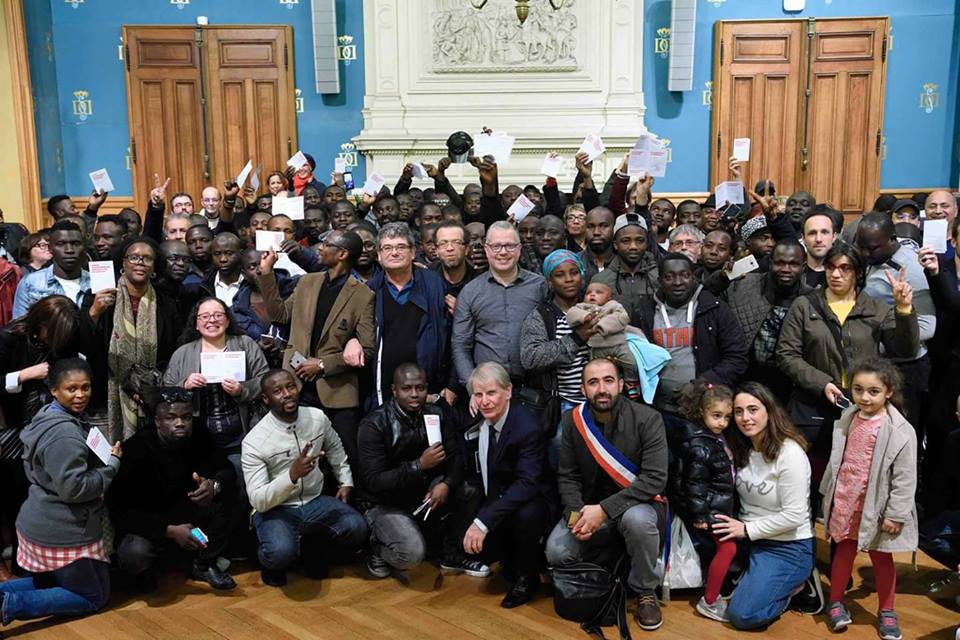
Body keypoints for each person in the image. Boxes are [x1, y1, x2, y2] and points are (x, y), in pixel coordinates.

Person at [545, 358, 668, 631]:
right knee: (555, 552)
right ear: (583, 389)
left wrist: (603, 511)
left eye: (608, 381)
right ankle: (608, 573)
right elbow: (568, 475)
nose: (602, 389)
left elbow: (655, 479)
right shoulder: (572, 421)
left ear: (621, 385)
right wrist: (575, 517)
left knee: (637, 521)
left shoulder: (648, 419)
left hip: (637, 505)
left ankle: (645, 590)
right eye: (593, 382)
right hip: (590, 509)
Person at [776, 242, 918, 472]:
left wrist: (903, 310)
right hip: (814, 406)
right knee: (813, 473)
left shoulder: (876, 308)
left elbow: (905, 349)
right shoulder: (804, 306)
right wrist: (822, 383)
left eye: (845, 268)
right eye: (831, 267)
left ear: (858, 273)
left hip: (863, 405)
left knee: (857, 475)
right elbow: (786, 354)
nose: (836, 274)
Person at [1, 358, 121, 625]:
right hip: (62, 528)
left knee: (76, 584)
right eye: (71, 388)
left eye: (86, 387)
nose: (80, 395)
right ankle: (9, 605)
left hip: (44, 518)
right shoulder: (65, 434)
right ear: (54, 390)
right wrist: (112, 466)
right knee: (95, 597)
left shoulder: (49, 413)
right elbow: (74, 489)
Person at [258, 230, 374, 469]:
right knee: (301, 459)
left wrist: (322, 365)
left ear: (342, 254)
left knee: (346, 460)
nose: (319, 248)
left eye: (326, 244)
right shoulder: (307, 282)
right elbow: (280, 315)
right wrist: (267, 273)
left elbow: (367, 349)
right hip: (297, 385)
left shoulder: (364, 294)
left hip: (337, 391)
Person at [242, 369, 367, 587]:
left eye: (290, 386)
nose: (287, 394)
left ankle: (312, 549)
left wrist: (345, 481)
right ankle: (269, 561)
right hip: (276, 508)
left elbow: (335, 447)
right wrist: (292, 475)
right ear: (266, 398)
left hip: (314, 500)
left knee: (357, 527)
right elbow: (259, 500)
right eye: (277, 391)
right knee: (280, 553)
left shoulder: (317, 417)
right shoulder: (254, 441)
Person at [820, 359, 917, 640]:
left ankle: (887, 610)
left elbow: (905, 478)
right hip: (847, 498)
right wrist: (827, 493)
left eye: (874, 391)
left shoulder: (900, 430)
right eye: (858, 389)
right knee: (843, 549)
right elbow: (837, 460)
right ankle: (836, 601)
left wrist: (896, 514)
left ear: (888, 391)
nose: (864, 397)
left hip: (877, 505)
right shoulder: (847, 418)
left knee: (881, 556)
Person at [108, 387, 237, 592]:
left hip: (187, 508)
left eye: (186, 417)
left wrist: (213, 485)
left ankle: (203, 563)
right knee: (135, 553)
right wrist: (168, 531)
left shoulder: (199, 434)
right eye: (171, 418)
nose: (180, 423)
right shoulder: (136, 449)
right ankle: (147, 572)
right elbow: (120, 511)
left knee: (231, 493)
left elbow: (226, 469)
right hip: (150, 522)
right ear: (157, 421)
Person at [356, 364, 480, 577]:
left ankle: (450, 552)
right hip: (384, 502)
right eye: (407, 388)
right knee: (411, 554)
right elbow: (373, 482)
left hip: (422, 495)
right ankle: (376, 548)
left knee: (469, 490)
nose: (414, 394)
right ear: (394, 390)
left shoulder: (436, 414)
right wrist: (419, 465)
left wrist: (446, 484)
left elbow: (457, 458)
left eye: (420, 388)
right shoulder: (374, 424)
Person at [713, 382, 814, 630]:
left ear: (769, 410)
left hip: (787, 545)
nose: (745, 418)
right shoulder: (741, 448)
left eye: (753, 409)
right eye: (738, 412)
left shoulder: (790, 453)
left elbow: (794, 516)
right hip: (749, 540)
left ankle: (796, 588)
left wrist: (746, 529)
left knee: (742, 615)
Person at [0, 296, 83, 578]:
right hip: (9, 427)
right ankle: (16, 569)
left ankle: (36, 564)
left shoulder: (62, 341)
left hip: (43, 427)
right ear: (42, 324)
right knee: (14, 497)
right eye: (58, 333)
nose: (62, 340)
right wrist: (24, 375)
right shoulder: (9, 339)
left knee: (35, 497)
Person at [461, 362, 555, 608]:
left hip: (533, 499)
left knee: (526, 514)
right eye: (479, 395)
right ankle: (506, 558)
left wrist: (484, 520)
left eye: (491, 393)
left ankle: (528, 577)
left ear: (509, 391)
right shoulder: (481, 420)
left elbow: (527, 484)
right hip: (499, 493)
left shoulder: (527, 427)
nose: (485, 401)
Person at [86, 237, 181, 443]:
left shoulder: (166, 302)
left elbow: (172, 348)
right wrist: (94, 312)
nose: (140, 263)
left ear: (154, 267)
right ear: (123, 263)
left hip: (150, 396)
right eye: (134, 257)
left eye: (147, 258)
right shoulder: (99, 297)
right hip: (107, 391)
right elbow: (84, 344)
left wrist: (147, 385)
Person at [162, 297, 269, 477]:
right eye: (204, 316)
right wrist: (185, 385)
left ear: (227, 320)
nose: (211, 320)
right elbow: (165, 392)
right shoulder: (182, 353)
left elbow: (266, 380)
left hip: (242, 437)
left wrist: (242, 390)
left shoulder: (245, 344)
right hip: (198, 441)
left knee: (241, 479)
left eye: (218, 315)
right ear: (196, 324)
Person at [632, 253, 749, 415]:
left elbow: (738, 357)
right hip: (658, 408)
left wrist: (701, 383)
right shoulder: (644, 312)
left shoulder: (714, 308)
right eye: (669, 277)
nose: (678, 282)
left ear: (693, 278)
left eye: (685, 275)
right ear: (659, 281)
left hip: (706, 407)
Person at [857, 212, 936, 428]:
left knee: (902, 434)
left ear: (892, 239)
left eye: (872, 248)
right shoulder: (874, 258)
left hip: (907, 367)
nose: (865, 253)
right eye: (861, 247)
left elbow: (928, 326)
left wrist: (887, 336)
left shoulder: (912, 269)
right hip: (878, 363)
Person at [668, 382, 737, 622]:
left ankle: (715, 591)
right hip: (711, 510)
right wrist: (699, 515)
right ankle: (709, 600)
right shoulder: (701, 445)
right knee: (728, 548)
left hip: (717, 505)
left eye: (727, 417)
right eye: (716, 415)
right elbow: (694, 484)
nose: (722, 422)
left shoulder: (712, 437)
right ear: (702, 412)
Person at [452, 221, 549, 389]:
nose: (503, 252)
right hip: (487, 390)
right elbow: (461, 345)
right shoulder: (470, 292)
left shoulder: (539, 286)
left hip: (535, 388)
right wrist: (472, 387)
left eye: (510, 246)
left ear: (519, 248)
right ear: (486, 249)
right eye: (496, 246)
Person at [519, 250, 591, 467]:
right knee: (562, 454)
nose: (569, 279)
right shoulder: (542, 316)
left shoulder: (594, 307)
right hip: (563, 404)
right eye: (560, 275)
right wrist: (575, 339)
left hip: (597, 400)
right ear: (550, 281)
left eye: (574, 273)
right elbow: (530, 358)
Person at [368, 222, 449, 406]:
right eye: (387, 248)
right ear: (379, 255)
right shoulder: (370, 290)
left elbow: (450, 332)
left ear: (413, 252)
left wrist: (450, 384)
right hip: (383, 386)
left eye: (401, 247)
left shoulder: (434, 284)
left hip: (429, 385)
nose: (394, 253)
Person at [726, 240, 811, 403]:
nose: (786, 269)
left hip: (791, 385)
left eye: (793, 264)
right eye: (780, 263)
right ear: (770, 263)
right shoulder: (743, 286)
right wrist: (722, 277)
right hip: (746, 378)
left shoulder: (812, 299)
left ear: (804, 266)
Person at [566, 282, 640, 386]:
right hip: (596, 348)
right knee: (596, 370)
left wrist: (602, 325)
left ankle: (631, 382)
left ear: (609, 298)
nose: (592, 295)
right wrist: (584, 316)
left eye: (598, 292)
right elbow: (571, 314)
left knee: (631, 363)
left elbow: (622, 317)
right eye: (588, 293)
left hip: (618, 345)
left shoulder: (613, 305)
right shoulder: (582, 307)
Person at [12, 221, 89, 318]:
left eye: (76, 243)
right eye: (61, 244)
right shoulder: (31, 283)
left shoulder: (93, 282)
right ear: (50, 248)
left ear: (84, 247)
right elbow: (19, 323)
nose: (69, 250)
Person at [591, 213, 658, 319]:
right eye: (626, 241)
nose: (633, 246)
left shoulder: (658, 277)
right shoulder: (601, 280)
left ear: (646, 244)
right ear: (615, 245)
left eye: (640, 241)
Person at [430, 220, 476, 317]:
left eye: (456, 242)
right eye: (443, 243)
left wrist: (464, 315)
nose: (450, 248)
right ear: (436, 250)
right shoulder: (426, 278)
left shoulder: (479, 282)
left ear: (467, 249)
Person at [801, 210, 838, 288]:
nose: (818, 239)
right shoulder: (795, 273)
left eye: (824, 232)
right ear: (803, 238)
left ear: (834, 237)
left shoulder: (845, 274)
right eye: (812, 233)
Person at [579, 207, 615, 281]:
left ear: (614, 228)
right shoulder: (576, 263)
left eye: (603, 226)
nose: (596, 232)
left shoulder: (624, 262)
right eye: (590, 227)